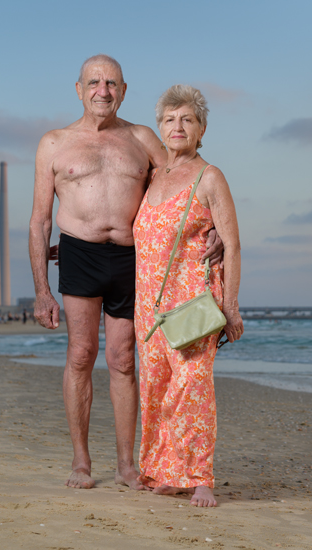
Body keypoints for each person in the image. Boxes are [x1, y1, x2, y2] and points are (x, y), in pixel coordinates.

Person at [29, 55, 223, 491]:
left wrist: (215, 226)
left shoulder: (142, 138)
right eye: (94, 82)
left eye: (112, 83)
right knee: (81, 355)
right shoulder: (54, 143)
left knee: (122, 360)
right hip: (79, 253)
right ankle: (81, 461)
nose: (103, 91)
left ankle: (125, 465)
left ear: (124, 90)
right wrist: (42, 290)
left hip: (132, 257)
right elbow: (39, 220)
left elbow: (184, 177)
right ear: (78, 89)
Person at [134, 85, 243, 507]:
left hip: (193, 303)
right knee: (156, 390)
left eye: (187, 120)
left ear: (201, 129)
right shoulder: (152, 177)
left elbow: (232, 245)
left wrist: (231, 307)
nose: (177, 127)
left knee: (192, 390)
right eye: (169, 120)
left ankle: (200, 478)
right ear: (160, 128)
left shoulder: (209, 177)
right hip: (149, 307)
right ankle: (165, 471)